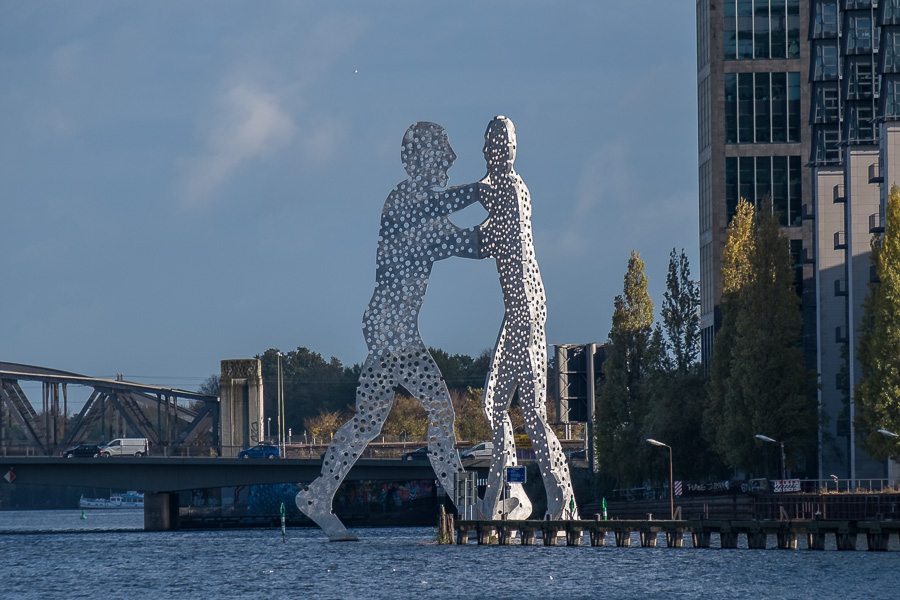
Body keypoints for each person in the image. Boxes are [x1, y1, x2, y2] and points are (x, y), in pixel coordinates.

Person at [296, 122, 483, 541]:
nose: (451, 159)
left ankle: (319, 494)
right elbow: (440, 235)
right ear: (420, 159)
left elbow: (463, 242)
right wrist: (482, 191)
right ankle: (469, 507)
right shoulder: (404, 200)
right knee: (440, 412)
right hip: (392, 330)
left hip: (388, 327)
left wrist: (504, 227)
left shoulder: (424, 206)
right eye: (444, 151)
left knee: (369, 421)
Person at [475, 115, 577, 520]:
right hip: (526, 310)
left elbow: (492, 238)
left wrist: (430, 223)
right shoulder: (506, 193)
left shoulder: (509, 189)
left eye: (491, 144)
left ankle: (537, 498)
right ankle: (521, 497)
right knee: (516, 411)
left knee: (504, 408)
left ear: (505, 149)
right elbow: (484, 236)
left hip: (524, 312)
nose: (484, 151)